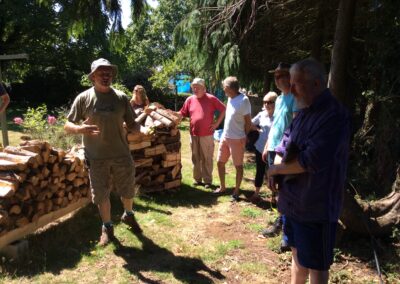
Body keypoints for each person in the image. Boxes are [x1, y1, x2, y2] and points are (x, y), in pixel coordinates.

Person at [267, 58, 350, 284]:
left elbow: (310, 160)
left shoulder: (333, 115)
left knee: (317, 267)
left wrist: (275, 169)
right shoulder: (304, 111)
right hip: (293, 203)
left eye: (297, 83)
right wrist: (277, 167)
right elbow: (285, 141)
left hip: (315, 207)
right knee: (297, 255)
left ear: (316, 83)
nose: (291, 89)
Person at [64, 58, 150, 246]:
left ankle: (128, 215)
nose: (105, 76)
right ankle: (107, 227)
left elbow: (132, 123)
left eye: (108, 73)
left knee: (127, 188)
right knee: (101, 193)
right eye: (101, 73)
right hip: (96, 156)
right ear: (93, 76)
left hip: (121, 153)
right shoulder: (84, 98)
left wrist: (142, 130)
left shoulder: (120, 98)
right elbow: (67, 124)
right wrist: (79, 129)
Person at [261, 63, 298, 248]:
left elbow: (295, 128)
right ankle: (280, 221)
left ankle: (286, 231)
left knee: (285, 190)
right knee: (275, 187)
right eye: (276, 77)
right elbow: (275, 125)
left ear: (290, 77)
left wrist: (284, 153)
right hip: (274, 147)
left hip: (285, 151)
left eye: (282, 76)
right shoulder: (281, 99)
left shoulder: (295, 98)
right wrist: (268, 144)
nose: (279, 80)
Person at [178, 78, 226, 188]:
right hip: (193, 134)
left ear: (204, 89)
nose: (195, 89)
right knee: (195, 157)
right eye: (193, 87)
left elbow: (223, 109)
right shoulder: (190, 100)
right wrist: (170, 114)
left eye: (198, 87)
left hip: (207, 134)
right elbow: (182, 113)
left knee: (207, 157)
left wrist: (216, 124)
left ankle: (208, 181)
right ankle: (197, 179)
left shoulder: (211, 98)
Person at [214, 76, 252, 201]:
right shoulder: (230, 98)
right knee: (220, 162)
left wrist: (245, 135)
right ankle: (222, 187)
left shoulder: (244, 100)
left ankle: (236, 191)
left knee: (238, 166)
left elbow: (248, 121)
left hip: (237, 139)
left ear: (231, 88)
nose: (224, 90)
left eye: (225, 88)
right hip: (225, 136)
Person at [248, 91, 277, 202]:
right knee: (259, 170)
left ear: (276, 103)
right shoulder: (262, 114)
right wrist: (257, 129)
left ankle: (274, 197)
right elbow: (250, 123)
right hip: (260, 147)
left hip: (273, 149)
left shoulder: (279, 116)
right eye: (264, 102)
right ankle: (256, 193)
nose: (266, 104)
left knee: (273, 173)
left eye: (269, 102)